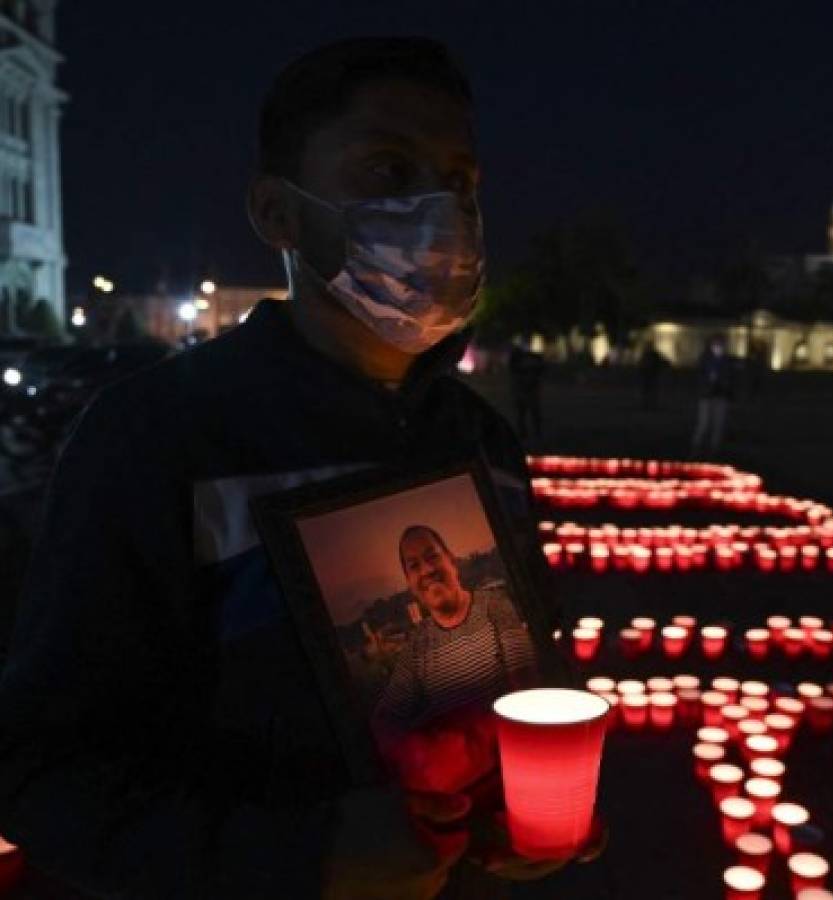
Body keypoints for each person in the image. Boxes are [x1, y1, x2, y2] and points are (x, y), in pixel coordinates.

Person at [0, 38, 594, 900]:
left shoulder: (481, 445)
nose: (441, 210)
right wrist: (300, 857)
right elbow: (39, 768)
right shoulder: (161, 437)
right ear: (277, 213)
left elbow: (525, 680)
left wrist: (532, 800)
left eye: (460, 180)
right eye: (388, 171)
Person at [370, 526, 537, 797]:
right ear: (410, 582)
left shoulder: (494, 607)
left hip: (516, 766)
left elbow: (527, 689)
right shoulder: (416, 647)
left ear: (452, 560)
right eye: (414, 566)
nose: (426, 571)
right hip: (456, 787)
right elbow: (385, 720)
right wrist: (414, 756)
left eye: (433, 557)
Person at [691, 335, 734, 456]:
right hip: (706, 395)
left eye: (721, 345)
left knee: (718, 424)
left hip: (721, 396)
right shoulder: (705, 359)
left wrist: (725, 385)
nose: (719, 347)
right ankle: (696, 447)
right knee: (703, 423)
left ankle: (714, 449)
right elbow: (699, 376)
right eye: (716, 345)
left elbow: (730, 378)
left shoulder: (726, 361)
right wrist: (707, 382)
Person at [507, 336, 545, 441]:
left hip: (527, 389)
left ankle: (530, 433)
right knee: (524, 413)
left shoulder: (530, 357)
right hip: (524, 389)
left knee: (527, 413)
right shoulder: (526, 358)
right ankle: (529, 433)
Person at [637, 342, 666, 410]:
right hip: (649, 375)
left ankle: (649, 404)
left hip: (650, 375)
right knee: (649, 391)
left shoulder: (652, 354)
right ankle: (648, 404)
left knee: (649, 391)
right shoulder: (651, 354)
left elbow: (641, 364)